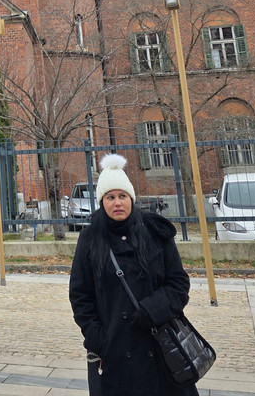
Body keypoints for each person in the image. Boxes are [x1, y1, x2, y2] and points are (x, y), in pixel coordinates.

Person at [68, 153, 198, 396]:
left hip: (160, 348)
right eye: (110, 197)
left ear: (131, 198)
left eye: (122, 196)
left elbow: (179, 284)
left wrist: (152, 309)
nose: (117, 202)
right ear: (102, 201)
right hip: (116, 353)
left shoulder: (155, 232)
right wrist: (98, 339)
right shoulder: (90, 239)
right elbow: (80, 295)